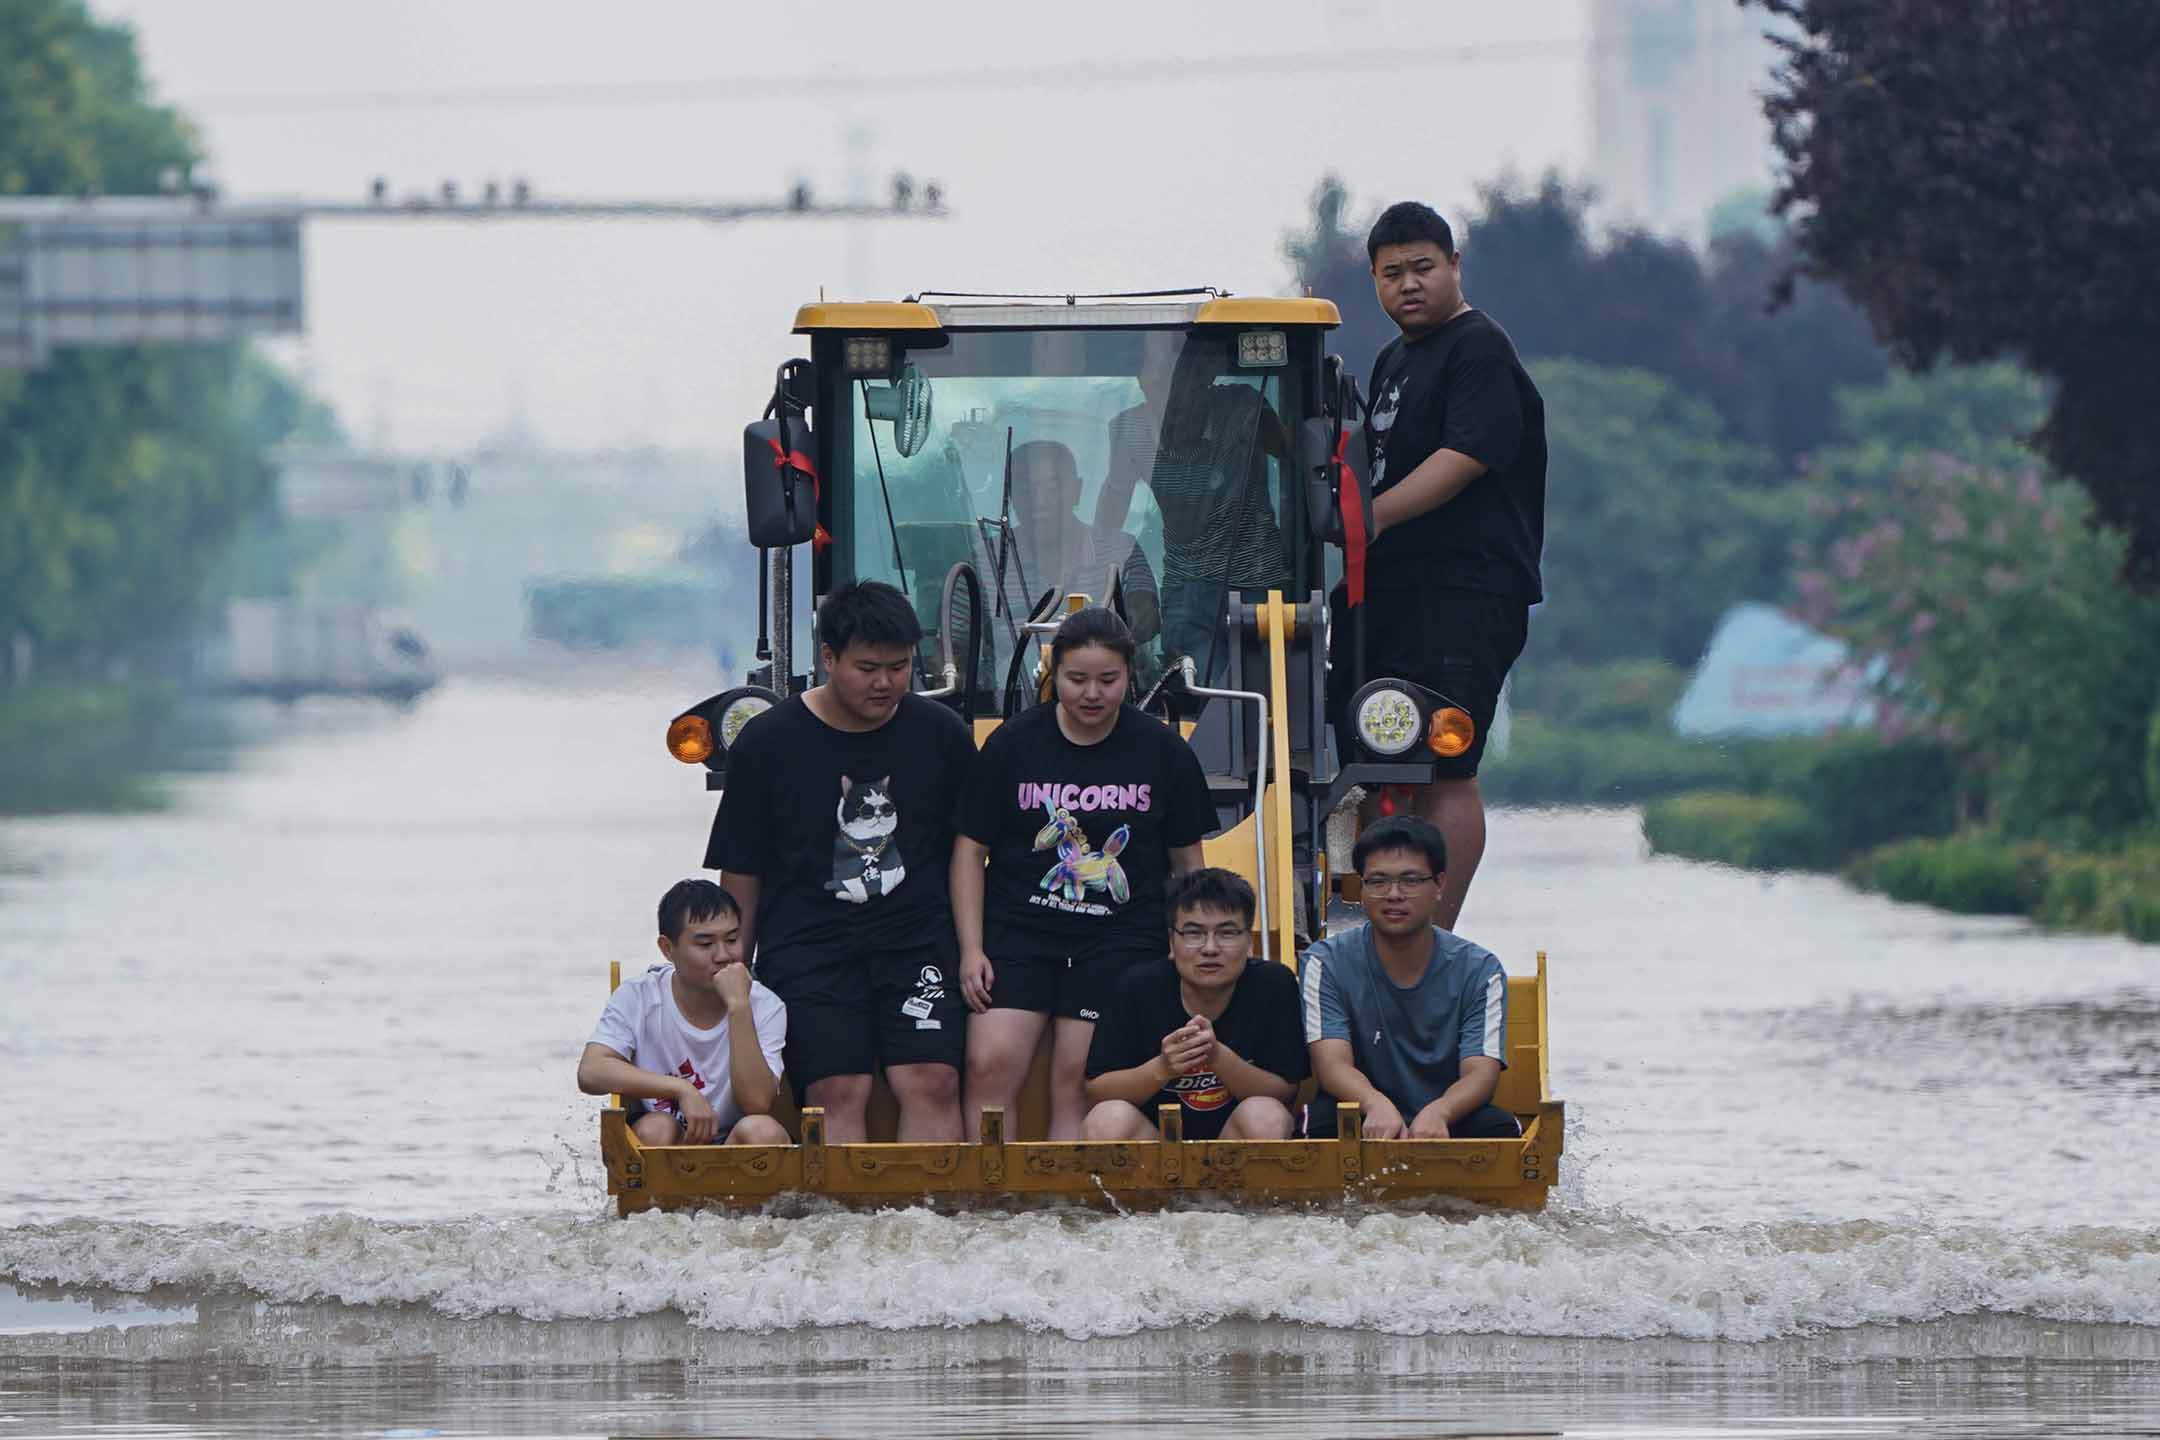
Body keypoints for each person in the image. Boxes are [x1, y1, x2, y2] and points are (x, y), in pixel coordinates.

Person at [1329, 201, 1547, 931]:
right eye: (1391, 274)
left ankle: (1435, 934)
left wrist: (1375, 516)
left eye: (1423, 267)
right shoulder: (1393, 361)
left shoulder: (1478, 348)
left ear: (1455, 266)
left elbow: (1466, 456)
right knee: (1377, 757)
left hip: (1468, 586)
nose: (1408, 285)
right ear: (1374, 281)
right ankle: (1375, 924)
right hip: (1395, 589)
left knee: (1447, 763)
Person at [708, 580, 975, 1144]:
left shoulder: (943, 736)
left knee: (931, 1080)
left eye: (900, 667)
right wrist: (736, 968)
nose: (885, 683)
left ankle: (930, 1225)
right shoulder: (768, 743)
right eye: (868, 667)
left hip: (916, 942)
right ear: (827, 658)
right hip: (810, 946)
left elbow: (968, 852)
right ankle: (844, 1230)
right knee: (836, 1091)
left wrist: (973, 948)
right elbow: (742, 870)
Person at [953, 606, 1216, 1139]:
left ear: (1129, 675)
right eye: (1077, 679)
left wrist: (1180, 941)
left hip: (1119, 936)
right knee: (989, 1063)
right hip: (1019, 931)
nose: (1091, 694)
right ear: (1054, 675)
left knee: (1079, 1076)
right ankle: (987, 1203)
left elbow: (1188, 865)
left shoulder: (1163, 752)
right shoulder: (1011, 744)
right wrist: (971, 950)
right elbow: (967, 853)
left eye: (1108, 680)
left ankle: (1065, 1212)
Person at [1300, 815, 1520, 1141]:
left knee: (1498, 1130)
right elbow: (1332, 1064)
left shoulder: (1481, 970)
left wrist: (1440, 1111)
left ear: (1440, 885)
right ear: (1360, 888)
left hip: (1447, 1114)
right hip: (1362, 1107)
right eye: (1378, 881)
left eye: (1411, 880)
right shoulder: (1325, 962)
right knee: (1318, 1124)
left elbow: (1481, 1072)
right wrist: (1374, 1104)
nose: (1394, 894)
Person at [1097, 332, 1292, 682]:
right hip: (1187, 584)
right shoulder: (1130, 429)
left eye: (1182, 370)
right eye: (1158, 370)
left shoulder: (1245, 408)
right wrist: (1099, 564)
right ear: (1141, 379)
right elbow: (1113, 504)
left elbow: (1299, 459)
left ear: (1206, 376)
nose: (1172, 383)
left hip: (1258, 579)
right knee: (1196, 689)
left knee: (1265, 690)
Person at [1082, 867, 1308, 1141]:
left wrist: (1218, 1058)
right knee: (1106, 1121)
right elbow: (1097, 1090)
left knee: (1266, 1116)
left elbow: (1285, 1092)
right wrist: (1163, 1068)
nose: (1210, 948)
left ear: (1249, 941)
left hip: (1235, 1138)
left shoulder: (1274, 984)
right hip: (1153, 1144)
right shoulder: (1136, 986)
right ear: (1171, 942)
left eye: (1226, 933)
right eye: (1193, 933)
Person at [576, 879, 790, 1146]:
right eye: (705, 944)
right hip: (669, 1139)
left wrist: (738, 1007)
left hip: (736, 1142)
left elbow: (757, 1102)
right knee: (656, 1128)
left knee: (762, 1131)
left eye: (732, 939)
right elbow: (591, 1071)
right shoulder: (639, 996)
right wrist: (681, 1089)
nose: (723, 955)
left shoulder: (765, 1005)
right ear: (667, 949)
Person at [983, 438, 1161, 647]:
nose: (1039, 501)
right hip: (1009, 679)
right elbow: (955, 648)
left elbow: (1145, 620)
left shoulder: (1122, 552)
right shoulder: (988, 562)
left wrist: (1135, 614)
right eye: (1026, 489)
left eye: (1052, 487)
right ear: (1010, 497)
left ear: (1077, 490)